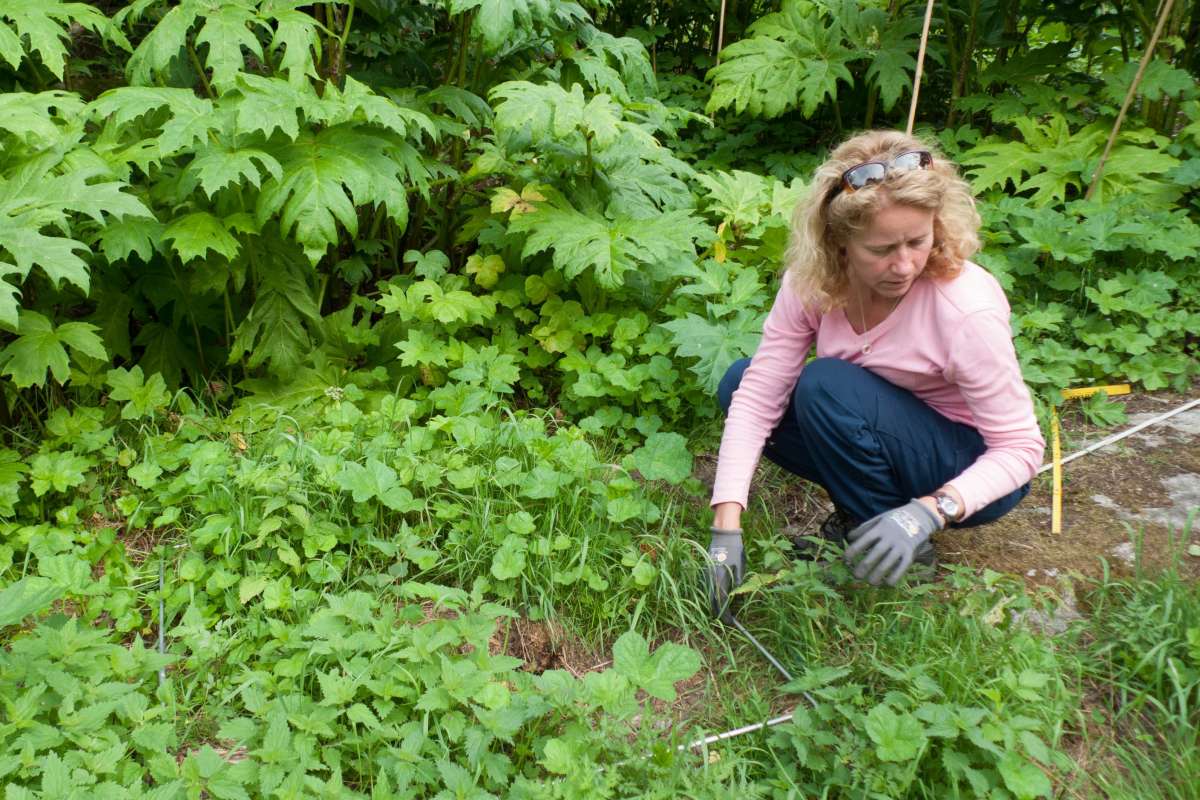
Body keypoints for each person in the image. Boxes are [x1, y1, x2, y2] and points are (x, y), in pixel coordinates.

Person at [706, 130, 1045, 619]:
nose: (903, 264)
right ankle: (868, 521)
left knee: (827, 386)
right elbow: (760, 394)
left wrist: (930, 511)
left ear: (938, 226)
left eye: (918, 241)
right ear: (840, 242)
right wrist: (726, 527)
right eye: (881, 248)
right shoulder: (813, 284)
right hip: (879, 428)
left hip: (965, 464)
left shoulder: (964, 309)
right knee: (740, 382)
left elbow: (1020, 448)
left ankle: (901, 539)